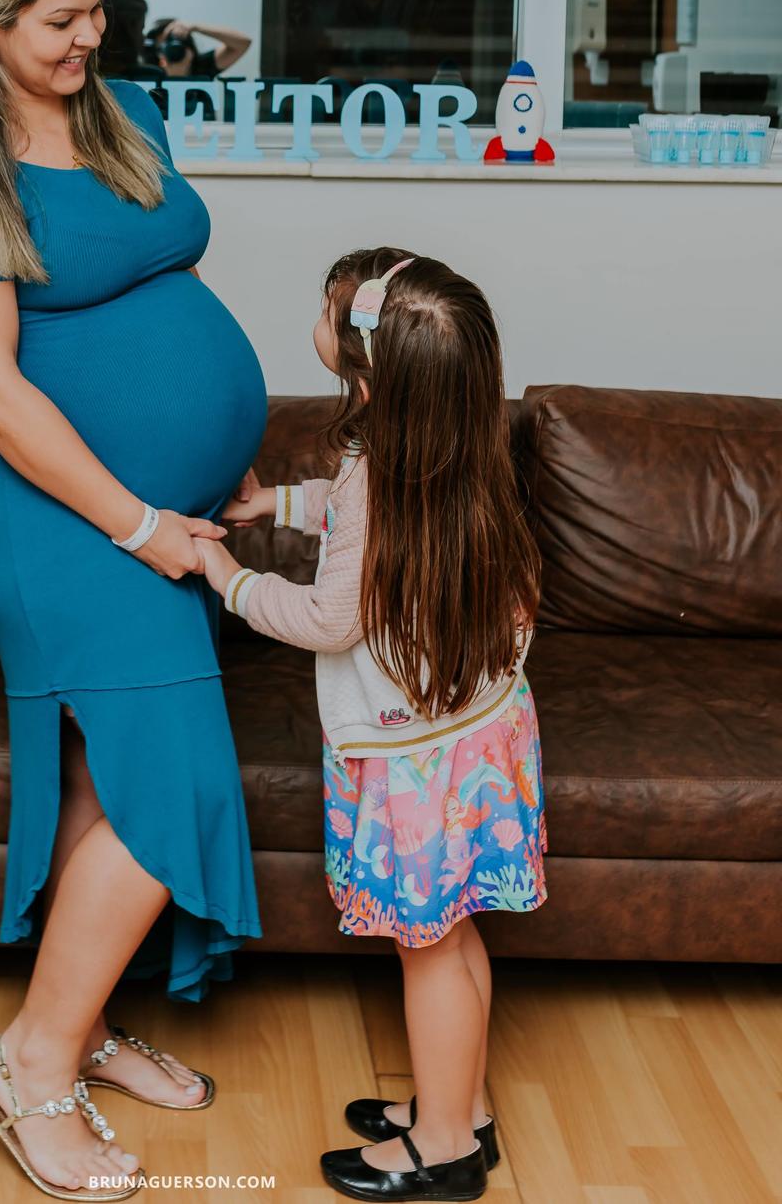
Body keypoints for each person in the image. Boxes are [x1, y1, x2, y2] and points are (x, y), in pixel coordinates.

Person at [0, 0, 268, 1200]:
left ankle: (86, 1012)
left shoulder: (124, 113)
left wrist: (225, 460)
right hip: (59, 525)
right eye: (58, 17)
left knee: (115, 786)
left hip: (155, 512)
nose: (87, 35)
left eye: (97, 4)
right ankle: (31, 1066)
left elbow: (159, 287)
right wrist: (142, 518)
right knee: (172, 790)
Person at [196, 249, 547, 1203]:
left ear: (360, 361)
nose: (320, 313)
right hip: (480, 737)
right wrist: (280, 503)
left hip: (414, 764)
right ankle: (460, 1107)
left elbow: (327, 617)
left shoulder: (384, 472)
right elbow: (355, 516)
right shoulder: (446, 444)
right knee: (456, 937)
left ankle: (440, 1149)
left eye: (332, 308)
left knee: (426, 948)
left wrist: (227, 576)